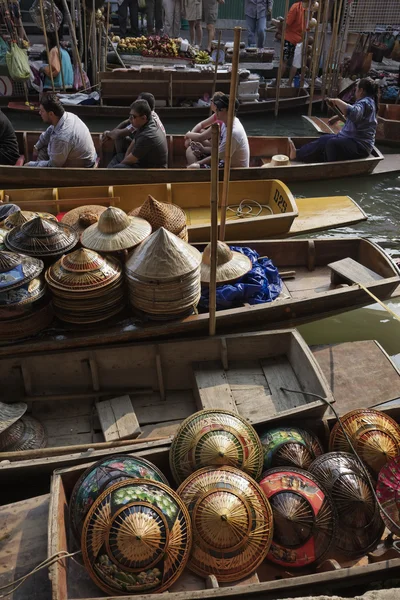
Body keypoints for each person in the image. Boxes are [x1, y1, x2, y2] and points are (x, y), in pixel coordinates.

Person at [289, 78, 378, 163]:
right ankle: (297, 154)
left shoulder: (365, 102)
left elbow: (353, 113)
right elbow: (359, 118)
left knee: (332, 144)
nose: (355, 92)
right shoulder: (368, 102)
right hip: (352, 141)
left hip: (360, 146)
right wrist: (338, 117)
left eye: (356, 89)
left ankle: (331, 167)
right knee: (324, 139)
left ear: (361, 91)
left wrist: (337, 101)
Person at [25, 94, 97, 168]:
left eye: (42, 111)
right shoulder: (67, 116)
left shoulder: (62, 137)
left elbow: (54, 165)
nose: (40, 113)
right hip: (76, 155)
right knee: (42, 149)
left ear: (51, 114)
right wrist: (37, 146)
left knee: (38, 166)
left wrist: (31, 165)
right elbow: (49, 131)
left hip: (83, 166)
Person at [187, 93, 249, 168]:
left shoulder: (233, 133)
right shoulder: (225, 123)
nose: (216, 110)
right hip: (223, 160)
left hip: (231, 170)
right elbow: (219, 152)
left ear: (227, 111)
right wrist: (203, 150)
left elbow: (217, 158)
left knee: (193, 167)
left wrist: (197, 163)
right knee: (190, 150)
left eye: (219, 109)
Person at [108, 99, 168, 168]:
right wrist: (124, 158)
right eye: (130, 115)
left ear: (143, 118)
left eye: (133, 116)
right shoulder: (146, 123)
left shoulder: (147, 135)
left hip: (153, 170)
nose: (130, 119)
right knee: (119, 157)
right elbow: (134, 141)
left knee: (116, 168)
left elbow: (130, 160)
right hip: (143, 162)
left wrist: (117, 167)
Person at [184, 91, 225, 163]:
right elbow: (201, 124)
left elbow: (201, 137)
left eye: (211, 101)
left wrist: (188, 134)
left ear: (215, 105)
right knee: (200, 131)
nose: (210, 102)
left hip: (219, 148)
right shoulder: (217, 115)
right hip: (216, 145)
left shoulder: (220, 121)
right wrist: (191, 136)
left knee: (189, 150)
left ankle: (195, 170)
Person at [280, 0, 309, 86]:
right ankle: (289, 82)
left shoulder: (296, 7)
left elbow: (288, 23)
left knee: (284, 61)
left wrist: (281, 26)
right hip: (300, 39)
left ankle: (277, 82)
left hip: (290, 38)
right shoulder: (309, 10)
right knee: (295, 64)